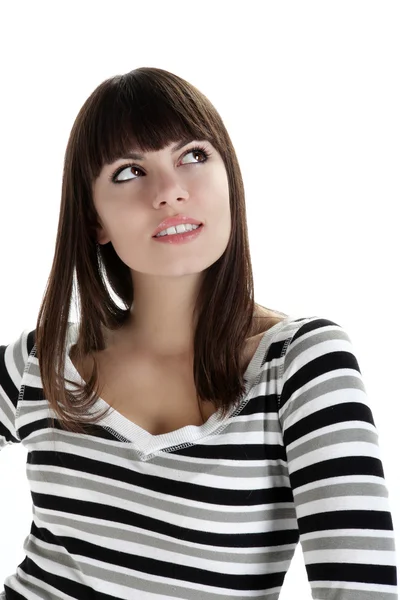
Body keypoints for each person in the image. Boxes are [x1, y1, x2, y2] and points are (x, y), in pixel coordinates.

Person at [0, 67, 397, 599]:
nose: (169, 192)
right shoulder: (43, 362)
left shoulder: (299, 364)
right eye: (127, 172)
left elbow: (360, 590)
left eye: (192, 155)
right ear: (94, 219)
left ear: (228, 175)